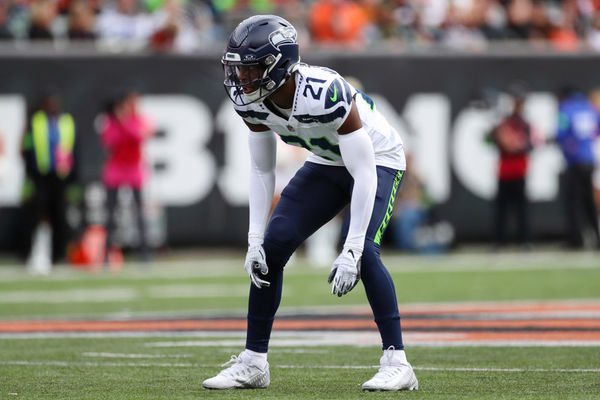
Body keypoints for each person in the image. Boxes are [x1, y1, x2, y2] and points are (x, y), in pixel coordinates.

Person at [202, 15, 418, 392]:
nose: (242, 80)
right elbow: (260, 169)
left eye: (251, 69)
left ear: (279, 65)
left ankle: (397, 361)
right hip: (327, 160)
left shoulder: (324, 91)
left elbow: (364, 172)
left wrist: (350, 248)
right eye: (238, 69)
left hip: (378, 158)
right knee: (273, 247)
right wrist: (254, 238)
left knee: (365, 252)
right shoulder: (250, 102)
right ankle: (254, 362)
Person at [20, 90, 76, 265]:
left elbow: (74, 148)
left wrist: (73, 177)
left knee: (59, 215)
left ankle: (58, 255)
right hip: (40, 177)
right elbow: (26, 148)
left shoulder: (66, 121)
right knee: (35, 215)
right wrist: (29, 175)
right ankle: (29, 254)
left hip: (60, 177)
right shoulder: (35, 122)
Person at [100, 89, 153, 263]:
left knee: (139, 213)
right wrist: (120, 123)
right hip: (115, 169)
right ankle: (106, 254)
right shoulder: (110, 122)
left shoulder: (137, 120)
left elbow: (139, 136)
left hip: (134, 169)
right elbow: (110, 142)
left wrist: (124, 122)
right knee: (110, 214)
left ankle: (144, 254)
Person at [488, 85, 533, 249]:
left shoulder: (524, 124)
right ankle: (500, 242)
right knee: (502, 209)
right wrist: (500, 137)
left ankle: (525, 241)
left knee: (522, 209)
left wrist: (515, 144)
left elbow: (528, 146)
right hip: (504, 171)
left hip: (519, 171)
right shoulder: (503, 123)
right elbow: (492, 141)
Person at [556, 86, 600, 249]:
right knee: (589, 201)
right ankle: (596, 236)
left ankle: (576, 240)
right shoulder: (589, 108)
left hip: (574, 161)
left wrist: (570, 147)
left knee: (573, 202)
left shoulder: (565, 109)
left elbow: (559, 133)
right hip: (589, 159)